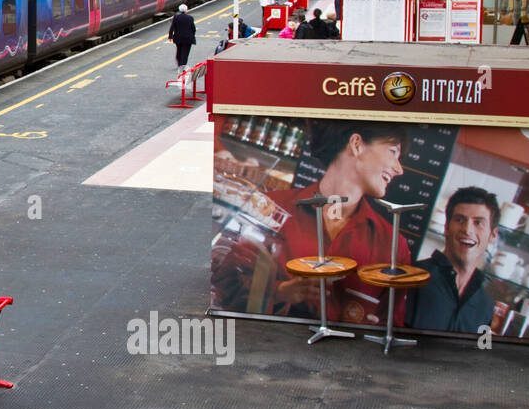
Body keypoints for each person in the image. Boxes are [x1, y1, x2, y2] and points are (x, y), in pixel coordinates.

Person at [213, 120, 412, 326]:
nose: (399, 169)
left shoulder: (394, 246)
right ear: (356, 144)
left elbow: (393, 327)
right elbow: (221, 290)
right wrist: (280, 292)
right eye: (393, 152)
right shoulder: (268, 208)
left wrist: (372, 333)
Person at [406, 187, 499, 334]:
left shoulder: (486, 306)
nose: (467, 230)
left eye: (478, 223)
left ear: (493, 235)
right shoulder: (410, 279)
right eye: (460, 220)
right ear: (446, 227)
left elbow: (481, 352)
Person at [168, 3, 196, 72]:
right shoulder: (190, 18)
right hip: (188, 38)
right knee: (185, 52)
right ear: (186, 10)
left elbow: (172, 28)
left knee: (179, 51)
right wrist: (192, 35)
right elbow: (193, 28)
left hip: (178, 38)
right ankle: (183, 65)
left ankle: (179, 64)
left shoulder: (176, 17)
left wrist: (170, 36)